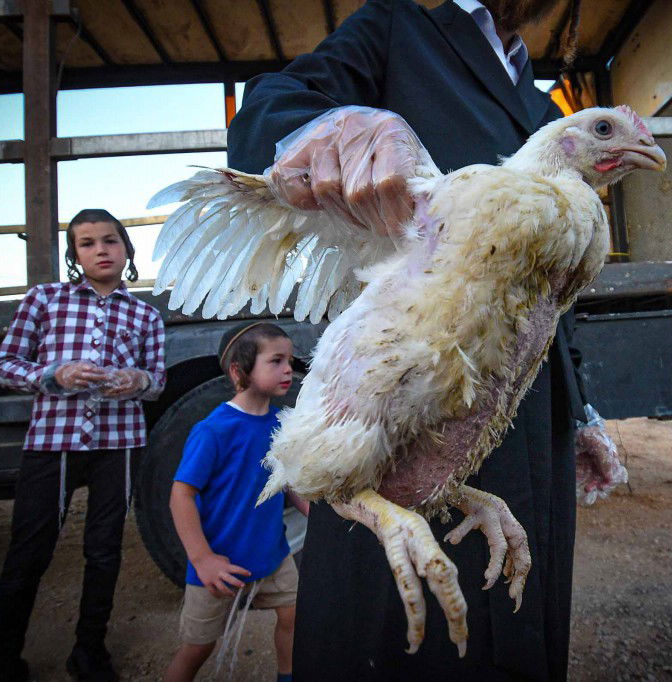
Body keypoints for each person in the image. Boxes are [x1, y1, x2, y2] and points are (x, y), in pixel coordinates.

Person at [226, 1, 590, 679]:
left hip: (531, 409)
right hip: (408, 396)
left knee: (522, 608)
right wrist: (334, 129)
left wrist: (583, 409)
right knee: (400, 638)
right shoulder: (398, 30)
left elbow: (554, 293)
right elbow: (268, 107)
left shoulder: (542, 108)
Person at [0, 209, 166, 682]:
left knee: (104, 550)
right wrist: (53, 375)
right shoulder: (44, 300)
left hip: (119, 442)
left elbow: (158, 381)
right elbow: (4, 365)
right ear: (74, 255)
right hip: (52, 441)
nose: (101, 250)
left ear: (126, 248)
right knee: (29, 551)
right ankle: (2, 661)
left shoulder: (145, 313)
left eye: (110, 240)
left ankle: (89, 652)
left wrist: (135, 379)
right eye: (87, 243)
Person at [164, 322, 309, 682]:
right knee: (198, 647)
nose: (288, 368)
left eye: (289, 360)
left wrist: (320, 515)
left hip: (272, 555)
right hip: (218, 566)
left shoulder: (281, 424)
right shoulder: (213, 430)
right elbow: (181, 495)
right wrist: (203, 559)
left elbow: (287, 483)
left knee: (294, 617)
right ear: (238, 371)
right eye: (276, 360)